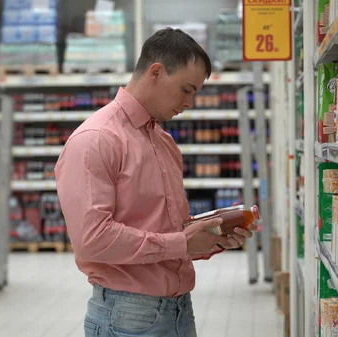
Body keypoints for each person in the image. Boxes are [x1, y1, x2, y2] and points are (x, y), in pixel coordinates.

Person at [54, 28, 256, 337]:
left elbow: (164, 230)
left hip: (178, 310)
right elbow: (92, 239)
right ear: (156, 72)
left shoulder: (163, 142)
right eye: (186, 90)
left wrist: (210, 236)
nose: (190, 102)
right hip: (127, 317)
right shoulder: (96, 140)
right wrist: (182, 242)